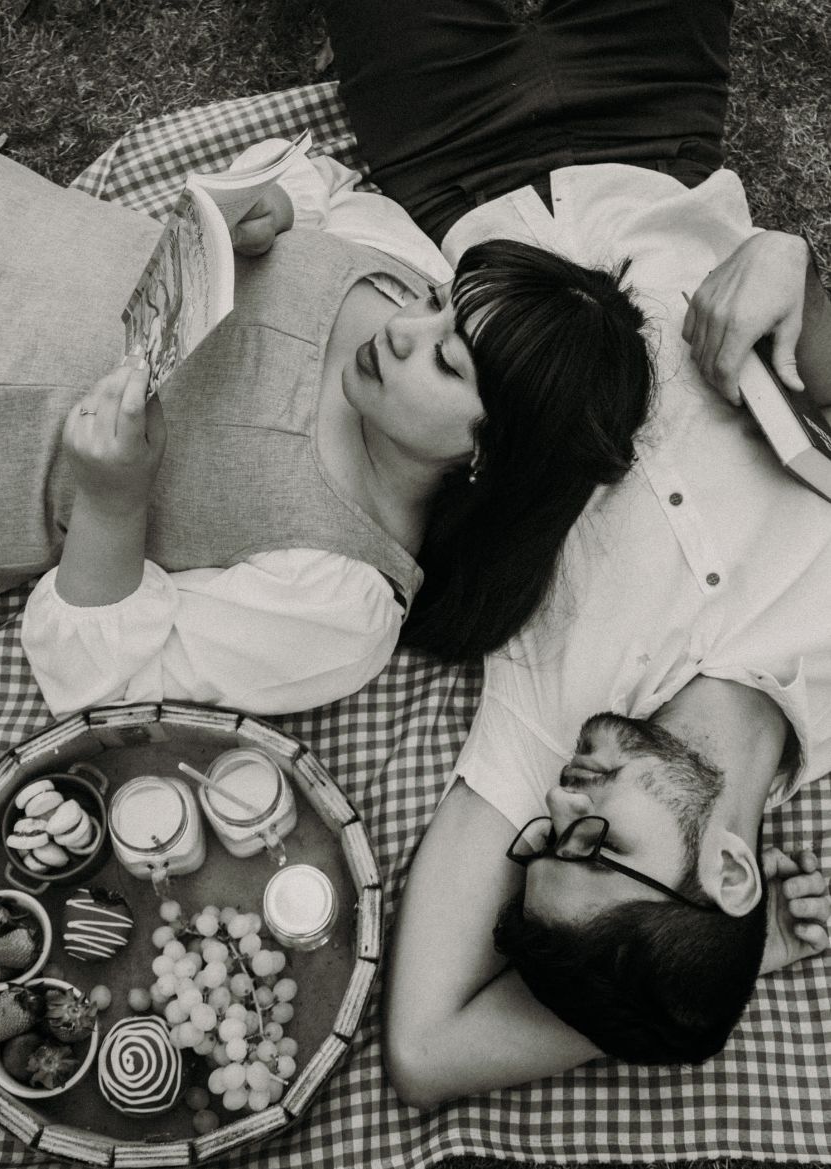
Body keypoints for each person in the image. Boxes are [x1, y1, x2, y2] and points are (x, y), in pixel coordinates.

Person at [288, 0, 831, 1103]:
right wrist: (790, 263)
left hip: (452, 166)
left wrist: (719, 969)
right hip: (658, 134)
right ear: (727, 866)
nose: (563, 805)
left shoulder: (556, 714)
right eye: (594, 844)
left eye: (545, 842)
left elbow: (426, 1051)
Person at [0, 129, 652, 719]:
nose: (407, 327)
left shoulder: (339, 597)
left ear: (487, 456)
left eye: (446, 361)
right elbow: (316, 181)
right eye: (439, 299)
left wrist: (111, 502)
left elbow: (94, 674)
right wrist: (267, 204)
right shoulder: (394, 265)